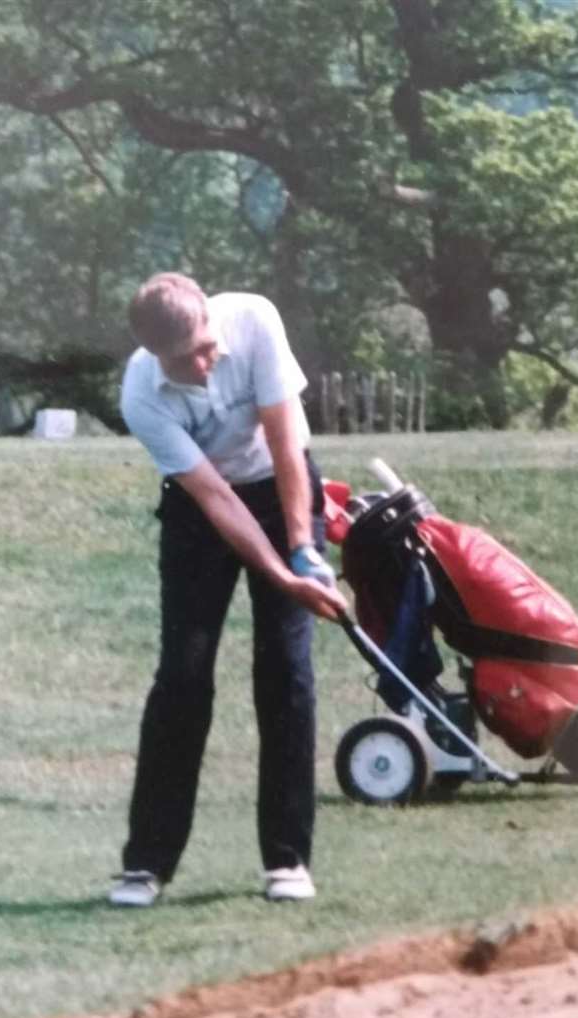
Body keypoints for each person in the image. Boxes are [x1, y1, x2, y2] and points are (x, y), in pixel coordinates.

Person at [110, 272, 347, 908]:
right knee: (183, 676)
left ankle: (287, 860)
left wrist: (302, 550)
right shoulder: (141, 394)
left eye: (208, 345)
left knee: (285, 668)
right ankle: (147, 864)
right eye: (189, 358)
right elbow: (215, 498)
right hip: (202, 513)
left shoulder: (255, 319)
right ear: (157, 356)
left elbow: (284, 440)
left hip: (283, 486)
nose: (206, 361)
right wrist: (282, 577)